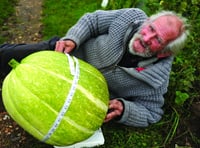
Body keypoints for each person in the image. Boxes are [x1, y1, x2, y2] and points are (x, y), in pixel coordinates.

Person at [0, 8, 189, 127]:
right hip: (63, 56)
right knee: (6, 54)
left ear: (165, 52)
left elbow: (152, 112)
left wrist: (125, 109)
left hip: (75, 93)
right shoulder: (131, 17)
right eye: (151, 29)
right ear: (147, 22)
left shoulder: (156, 79)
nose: (146, 37)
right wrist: (72, 39)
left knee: (15, 99)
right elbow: (93, 21)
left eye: (157, 39)